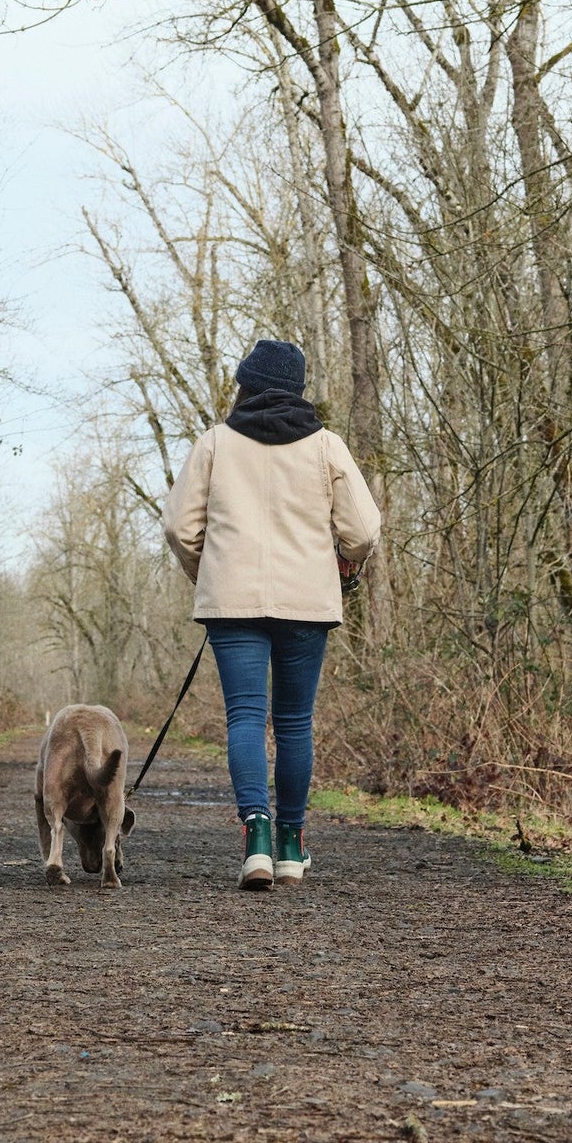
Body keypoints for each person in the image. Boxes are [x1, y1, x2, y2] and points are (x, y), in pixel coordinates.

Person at [162, 339, 381, 890]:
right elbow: (364, 531)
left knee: (244, 718)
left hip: (232, 605)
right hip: (307, 601)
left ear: (246, 385)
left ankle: (254, 840)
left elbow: (178, 528)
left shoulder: (214, 443)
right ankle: (290, 846)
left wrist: (207, 572)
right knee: (292, 723)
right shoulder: (327, 446)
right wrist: (345, 565)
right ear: (298, 388)